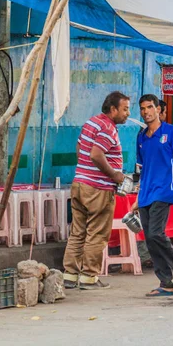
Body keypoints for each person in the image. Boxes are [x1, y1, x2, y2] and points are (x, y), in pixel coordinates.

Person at [63, 91, 130, 290]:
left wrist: (84, 170)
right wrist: (115, 175)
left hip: (80, 184)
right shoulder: (108, 129)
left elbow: (80, 147)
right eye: (125, 109)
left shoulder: (91, 122)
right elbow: (96, 154)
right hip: (98, 188)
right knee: (97, 234)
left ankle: (70, 276)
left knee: (77, 232)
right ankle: (89, 277)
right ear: (113, 109)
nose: (127, 113)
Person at [132, 94, 173, 297]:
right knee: (149, 239)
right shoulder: (141, 137)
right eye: (142, 108)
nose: (146, 111)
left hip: (165, 190)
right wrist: (137, 199)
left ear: (158, 109)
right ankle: (165, 282)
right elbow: (142, 169)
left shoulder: (172, 132)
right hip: (146, 193)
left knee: (157, 233)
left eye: (149, 107)